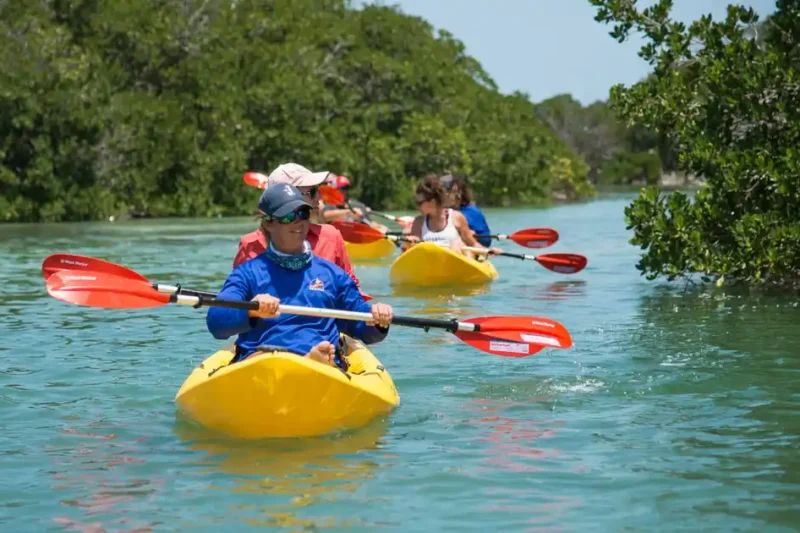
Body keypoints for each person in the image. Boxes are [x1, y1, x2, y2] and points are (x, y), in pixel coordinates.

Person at [207, 183, 393, 367]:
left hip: (322, 365)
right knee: (262, 357)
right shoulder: (247, 274)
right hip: (262, 362)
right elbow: (216, 322)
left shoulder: (333, 275)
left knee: (320, 356)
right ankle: (303, 361)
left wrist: (378, 319)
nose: (298, 221)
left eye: (302, 213)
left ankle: (310, 361)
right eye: (288, 216)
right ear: (269, 223)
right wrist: (250, 310)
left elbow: (364, 330)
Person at [234, 163, 363, 291]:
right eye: (312, 192)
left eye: (318, 190)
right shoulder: (250, 244)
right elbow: (238, 294)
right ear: (286, 196)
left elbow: (352, 291)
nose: (319, 197)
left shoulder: (331, 237)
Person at [405, 175, 500, 259]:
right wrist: (410, 242)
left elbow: (473, 244)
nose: (417, 207)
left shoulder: (457, 217)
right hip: (430, 264)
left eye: (419, 203)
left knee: (457, 244)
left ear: (432, 202)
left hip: (454, 263)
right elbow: (414, 249)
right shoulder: (418, 222)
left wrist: (488, 251)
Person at [321, 175, 389, 233]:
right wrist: (348, 212)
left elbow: (368, 224)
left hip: (357, 238)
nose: (346, 191)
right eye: (343, 188)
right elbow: (324, 217)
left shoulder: (359, 206)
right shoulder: (329, 206)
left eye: (348, 188)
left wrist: (379, 227)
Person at [440, 173, 492, 247]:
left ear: (457, 192)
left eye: (443, 191)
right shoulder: (433, 213)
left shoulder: (472, 212)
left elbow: (486, 241)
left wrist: (475, 237)